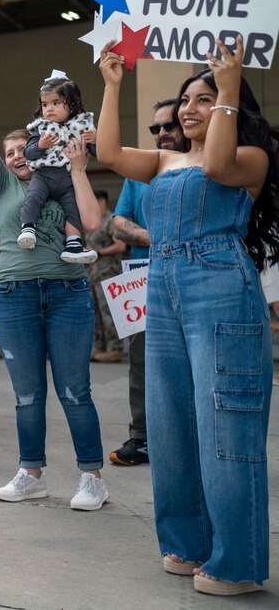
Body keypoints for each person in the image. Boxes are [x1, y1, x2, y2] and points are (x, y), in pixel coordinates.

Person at [97, 36, 277, 595]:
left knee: (225, 422)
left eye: (205, 98)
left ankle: (237, 563)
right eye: (186, 100)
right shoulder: (165, 160)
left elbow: (218, 164)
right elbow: (109, 154)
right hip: (164, 286)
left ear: (230, 104)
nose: (190, 109)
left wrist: (229, 83)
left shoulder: (251, 158)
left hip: (220, 285)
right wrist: (112, 86)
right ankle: (187, 542)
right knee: (169, 421)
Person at [0, 50, 110, 510]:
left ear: (43, 145)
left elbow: (92, 222)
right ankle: (31, 473)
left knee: (74, 390)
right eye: (9, 153)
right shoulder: (1, 186)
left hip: (67, 293)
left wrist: (78, 169)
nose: (16, 156)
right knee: (26, 394)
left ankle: (92, 477)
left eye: (23, 148)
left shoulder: (63, 176)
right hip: (13, 296)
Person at [108, 98, 185, 466]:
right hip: (142, 277)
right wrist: (155, 238)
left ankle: (185, 438)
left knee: (189, 361)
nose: (162, 133)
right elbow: (119, 223)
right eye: (156, 128)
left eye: (169, 125)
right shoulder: (138, 172)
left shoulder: (202, 165)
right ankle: (142, 437)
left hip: (189, 275)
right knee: (140, 362)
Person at [17, 71, 98, 264]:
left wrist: (96, 140)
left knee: (73, 209)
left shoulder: (82, 126)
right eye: (45, 105)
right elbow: (28, 153)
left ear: (72, 104)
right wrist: (40, 145)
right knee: (33, 197)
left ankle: (74, 244)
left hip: (68, 179)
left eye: (55, 103)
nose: (49, 109)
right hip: (43, 175)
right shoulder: (41, 128)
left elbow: (98, 153)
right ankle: (28, 228)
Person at [84, 190, 126, 363]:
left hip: (108, 273)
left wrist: (99, 252)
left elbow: (121, 245)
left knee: (109, 311)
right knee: (94, 311)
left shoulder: (110, 220)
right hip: (92, 273)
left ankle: (115, 348)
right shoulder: (93, 222)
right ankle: (100, 346)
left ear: (101, 202)